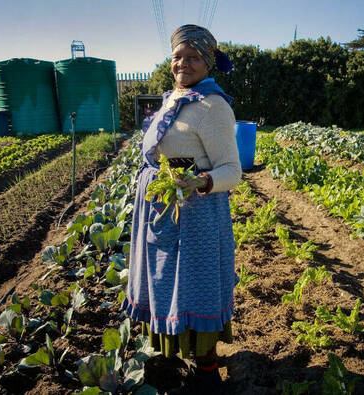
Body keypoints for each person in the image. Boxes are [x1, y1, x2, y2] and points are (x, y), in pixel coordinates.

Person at [121, 24, 241, 392]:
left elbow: (231, 170)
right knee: (161, 283)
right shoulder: (174, 98)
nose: (183, 64)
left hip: (196, 216)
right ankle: (168, 359)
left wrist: (201, 181)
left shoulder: (213, 105)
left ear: (208, 63)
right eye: (177, 57)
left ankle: (206, 372)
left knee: (194, 288)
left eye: (192, 58)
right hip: (161, 211)